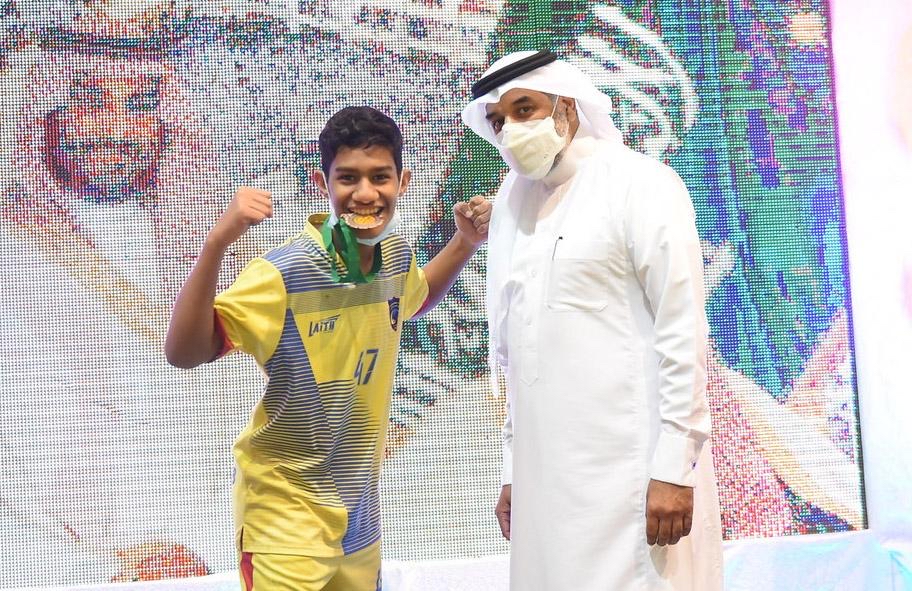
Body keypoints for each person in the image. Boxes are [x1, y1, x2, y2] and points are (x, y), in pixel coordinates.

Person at [164, 106, 490, 590]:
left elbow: (415, 299)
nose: (365, 193)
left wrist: (464, 243)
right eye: (348, 178)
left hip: (359, 515)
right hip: (285, 514)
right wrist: (217, 242)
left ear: (403, 182)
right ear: (322, 183)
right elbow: (184, 353)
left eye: (380, 177)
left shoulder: (395, 256)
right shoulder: (285, 270)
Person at [461, 50, 724, 590]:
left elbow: (682, 329)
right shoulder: (513, 204)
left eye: (525, 109)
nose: (511, 129)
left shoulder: (640, 183)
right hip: (547, 482)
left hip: (634, 473)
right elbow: (514, 354)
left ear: (566, 106)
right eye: (498, 121)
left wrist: (675, 465)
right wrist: (514, 470)